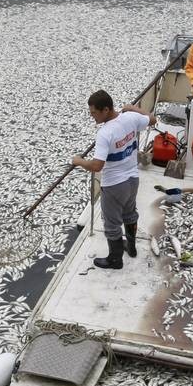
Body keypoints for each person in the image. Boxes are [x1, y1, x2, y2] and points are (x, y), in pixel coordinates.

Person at [72, 91, 156, 269]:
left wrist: (78, 161)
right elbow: (152, 119)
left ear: (106, 109)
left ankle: (115, 259)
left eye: (94, 112)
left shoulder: (105, 133)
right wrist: (133, 108)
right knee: (129, 213)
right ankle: (131, 248)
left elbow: (96, 166)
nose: (92, 116)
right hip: (133, 179)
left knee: (111, 223)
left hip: (114, 185)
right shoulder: (131, 118)